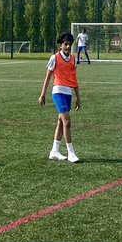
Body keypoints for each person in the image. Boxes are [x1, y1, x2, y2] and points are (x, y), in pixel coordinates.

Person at [38, 32, 81, 163]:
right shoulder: (54, 58)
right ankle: (71, 152)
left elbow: (74, 80)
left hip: (68, 93)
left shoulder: (73, 60)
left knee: (61, 122)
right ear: (60, 45)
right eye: (65, 44)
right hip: (58, 92)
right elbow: (48, 77)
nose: (68, 47)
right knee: (67, 122)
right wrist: (43, 95)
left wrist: (78, 97)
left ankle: (54, 151)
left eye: (70, 44)